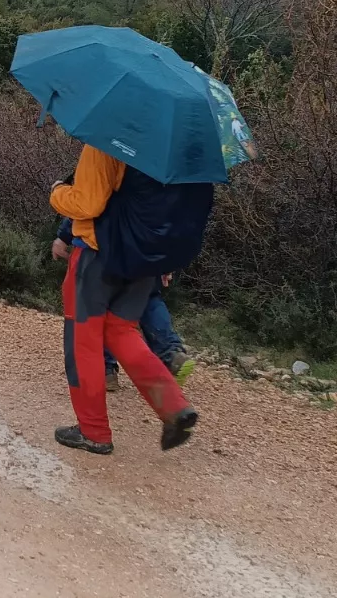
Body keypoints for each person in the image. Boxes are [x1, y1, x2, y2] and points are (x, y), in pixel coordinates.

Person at [50, 145, 203, 455]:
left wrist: (58, 192)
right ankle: (174, 408)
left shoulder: (106, 141)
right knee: (122, 332)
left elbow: (88, 203)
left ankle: (93, 431)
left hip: (96, 255)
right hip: (143, 259)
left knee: (83, 343)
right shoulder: (170, 149)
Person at [53, 219, 194, 391]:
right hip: (146, 248)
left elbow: (86, 202)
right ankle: (171, 353)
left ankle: (106, 370)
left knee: (102, 307)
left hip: (105, 248)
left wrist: (63, 236)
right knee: (149, 299)